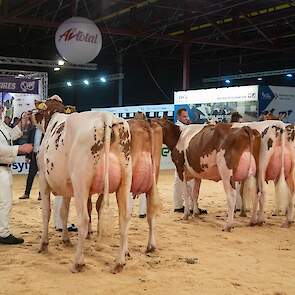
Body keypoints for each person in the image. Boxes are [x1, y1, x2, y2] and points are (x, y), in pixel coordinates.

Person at [0, 105, 33, 244]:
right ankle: (4, 233)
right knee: (4, 203)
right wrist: (20, 148)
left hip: (5, 168)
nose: (2, 110)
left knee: (4, 202)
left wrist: (22, 122)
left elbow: (11, 135)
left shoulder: (1, 124)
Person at [173, 108, 194, 213]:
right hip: (182, 156)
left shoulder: (185, 126)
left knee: (178, 181)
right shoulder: (178, 127)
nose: (187, 118)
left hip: (182, 156)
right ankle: (189, 206)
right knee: (188, 181)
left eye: (187, 116)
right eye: (184, 116)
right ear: (179, 117)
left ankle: (179, 205)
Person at [19, 123, 42, 200]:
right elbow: (29, 143)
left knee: (42, 177)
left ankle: (41, 194)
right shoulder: (32, 130)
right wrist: (27, 156)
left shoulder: (46, 129)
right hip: (34, 156)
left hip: (43, 156)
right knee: (30, 176)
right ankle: (26, 193)